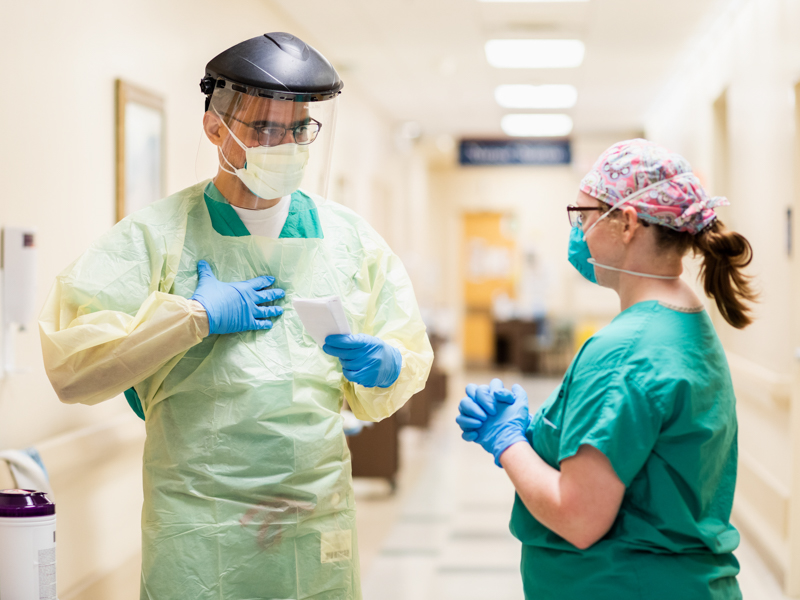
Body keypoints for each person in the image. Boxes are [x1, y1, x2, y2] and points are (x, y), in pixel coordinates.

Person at [39, 33, 433, 600]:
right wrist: (191, 317)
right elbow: (73, 368)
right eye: (264, 128)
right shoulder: (158, 236)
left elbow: (407, 352)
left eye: (299, 129)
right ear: (215, 128)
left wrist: (388, 364)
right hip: (199, 522)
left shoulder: (349, 239)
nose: (286, 144)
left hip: (311, 511)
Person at [457, 139, 755, 600]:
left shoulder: (624, 351)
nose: (578, 232)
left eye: (584, 214)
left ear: (627, 223)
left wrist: (507, 441)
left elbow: (577, 517)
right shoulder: (685, 319)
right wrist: (537, 430)